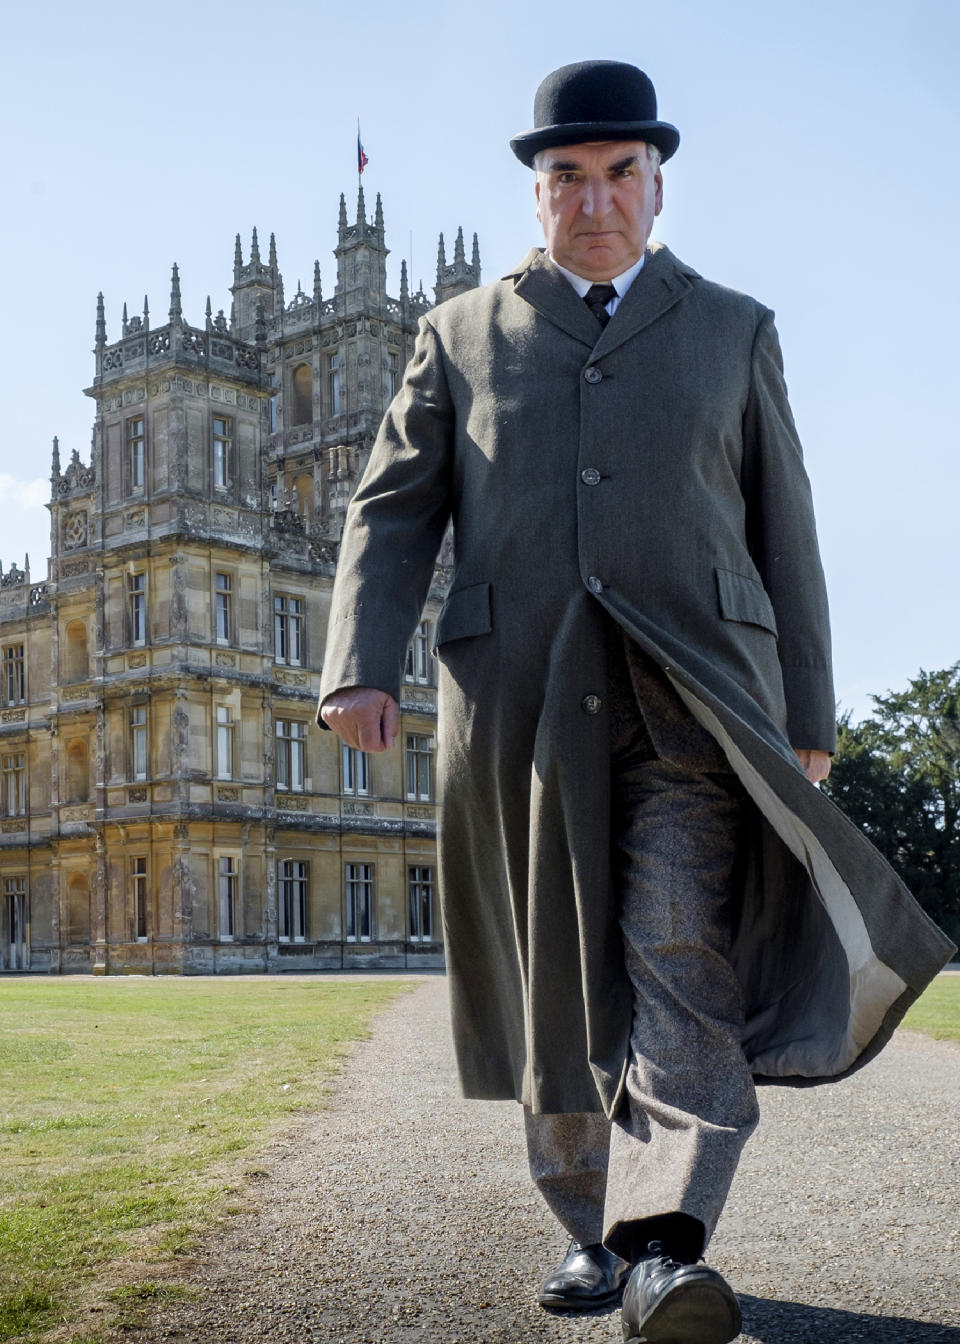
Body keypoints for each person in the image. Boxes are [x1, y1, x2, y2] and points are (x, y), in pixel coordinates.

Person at [318, 60, 955, 1344]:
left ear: (658, 187)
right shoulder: (457, 332)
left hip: (700, 694)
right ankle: (584, 1230)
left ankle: (662, 1243)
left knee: (681, 956)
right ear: (536, 193)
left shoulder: (734, 327)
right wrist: (357, 661)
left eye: (619, 173)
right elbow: (390, 509)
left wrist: (811, 712)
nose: (594, 198)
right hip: (521, 694)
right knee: (552, 971)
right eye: (567, 176)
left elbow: (789, 528)